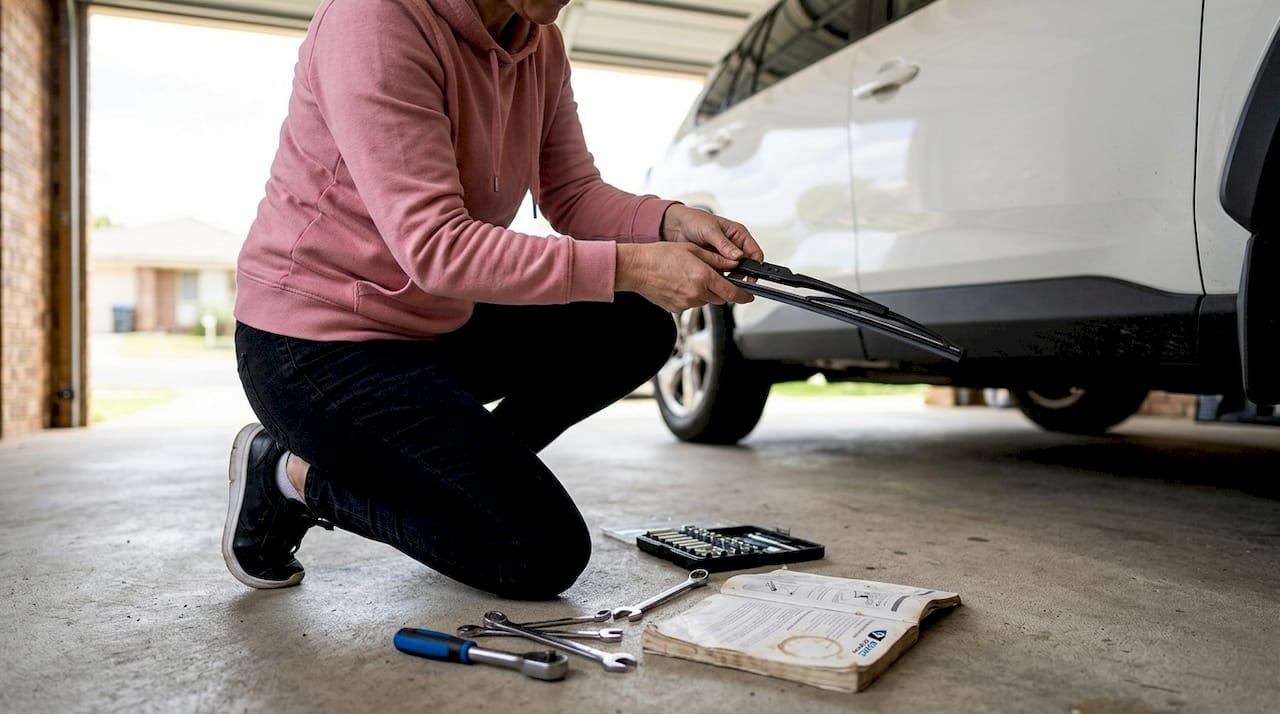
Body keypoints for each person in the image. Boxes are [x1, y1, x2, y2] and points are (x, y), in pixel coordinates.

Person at [222, 0, 762, 600]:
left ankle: (456, 490)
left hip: (433, 325)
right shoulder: (374, 21)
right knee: (537, 552)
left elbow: (573, 194)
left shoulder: (539, 41)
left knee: (636, 326)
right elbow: (436, 247)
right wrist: (631, 264)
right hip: (317, 348)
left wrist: (669, 222)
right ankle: (287, 475)